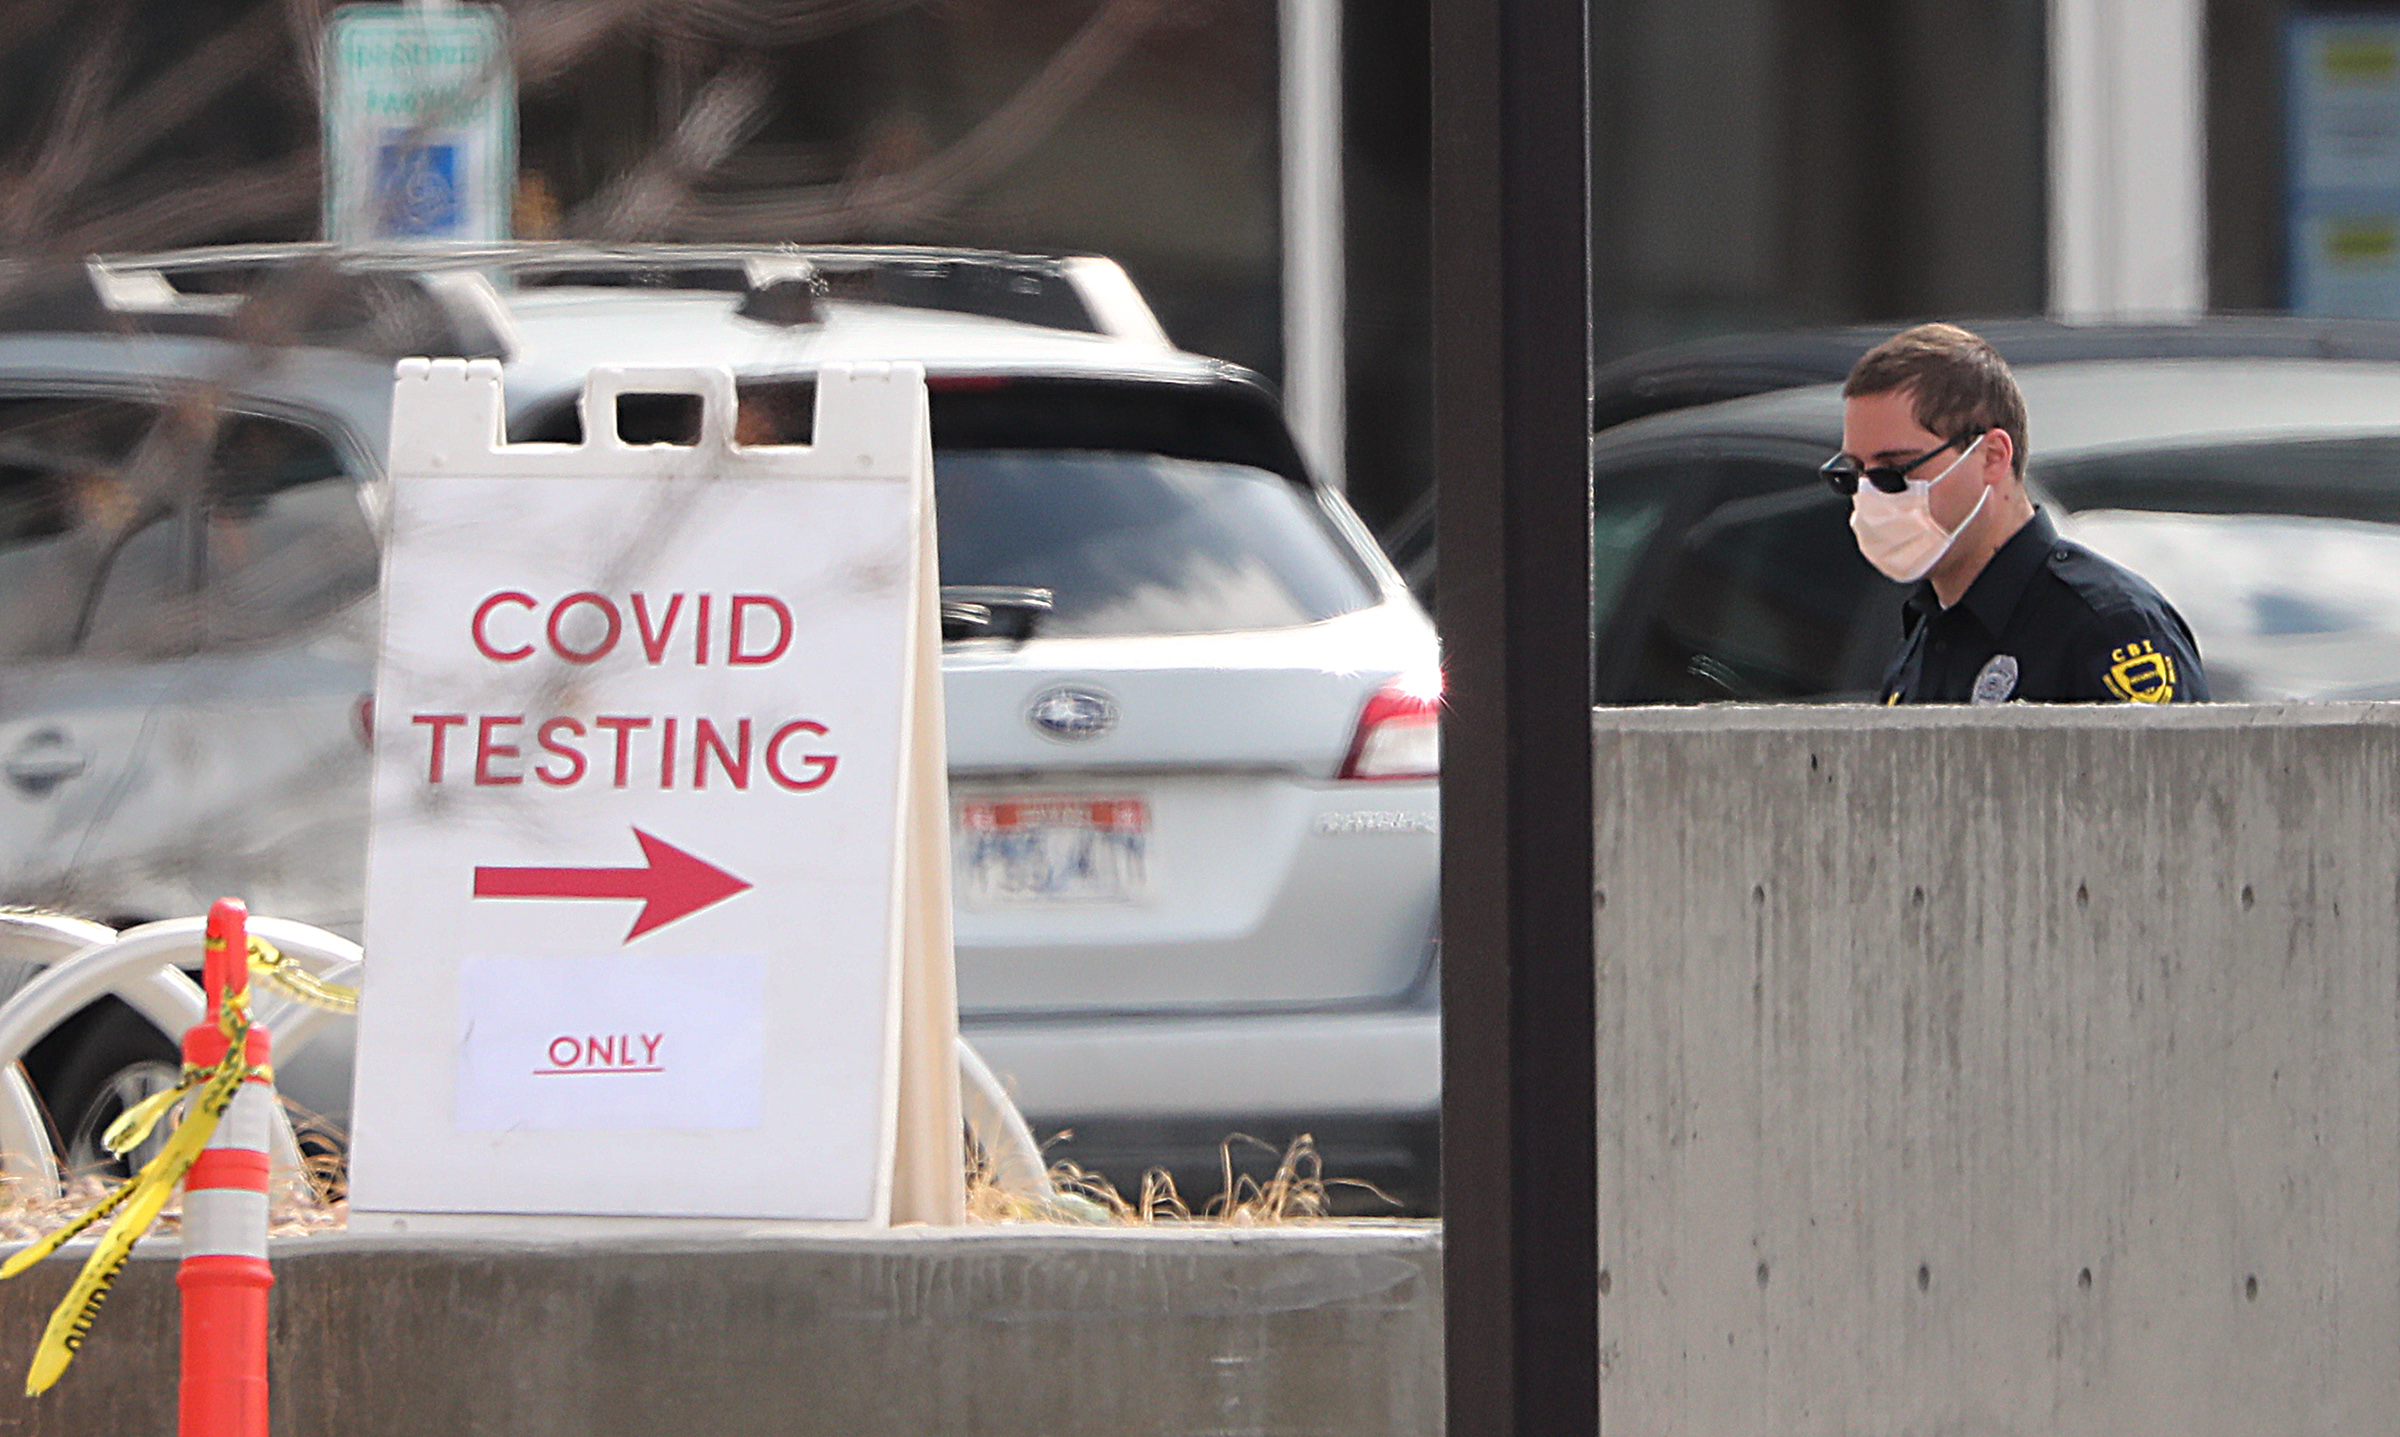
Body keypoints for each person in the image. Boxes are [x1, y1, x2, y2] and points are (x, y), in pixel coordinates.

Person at [1826, 323, 2208, 704]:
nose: (1871, 494)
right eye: (1855, 474)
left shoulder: (2107, 627)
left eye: (1894, 471)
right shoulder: (1927, 632)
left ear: (1991, 457)